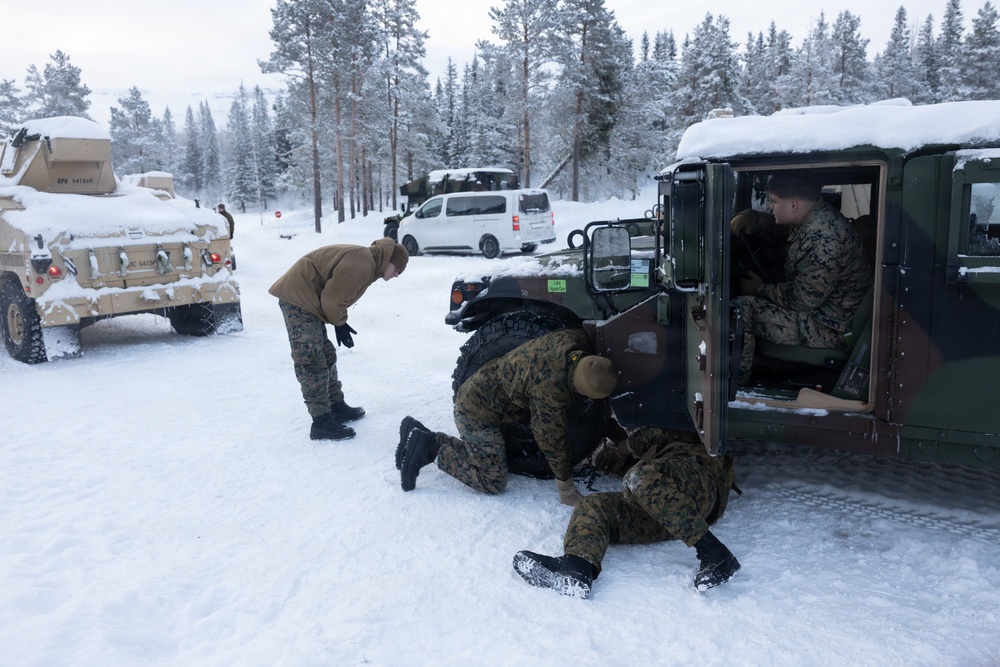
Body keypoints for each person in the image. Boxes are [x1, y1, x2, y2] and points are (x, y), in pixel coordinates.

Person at [396, 328, 619, 505]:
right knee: (492, 480)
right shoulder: (549, 389)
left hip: (480, 388)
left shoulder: (572, 340)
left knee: (482, 456)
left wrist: (616, 434)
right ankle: (430, 450)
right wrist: (565, 485)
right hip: (477, 413)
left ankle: (420, 434)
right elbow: (550, 439)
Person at [512, 427, 741, 598]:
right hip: (669, 508)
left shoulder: (689, 427)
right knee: (594, 506)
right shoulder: (660, 466)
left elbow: (652, 435)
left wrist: (620, 449)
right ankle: (576, 568)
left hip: (701, 480)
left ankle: (716, 553)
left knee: (640, 476)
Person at [730, 172, 872, 384]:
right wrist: (755, 220)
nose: (770, 207)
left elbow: (804, 299)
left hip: (830, 327)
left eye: (774, 201)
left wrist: (760, 289)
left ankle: (737, 386)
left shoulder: (822, 237)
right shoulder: (816, 218)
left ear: (794, 204)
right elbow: (787, 232)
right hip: (830, 313)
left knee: (740, 309)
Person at [269, 238, 408, 441]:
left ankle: (336, 406)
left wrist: (338, 321)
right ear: (390, 260)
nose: (396, 275)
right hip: (299, 299)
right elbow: (331, 300)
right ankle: (321, 422)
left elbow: (335, 296)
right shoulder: (364, 262)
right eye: (397, 269)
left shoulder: (369, 263)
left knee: (326, 353)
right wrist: (339, 323)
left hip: (310, 300)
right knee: (311, 359)